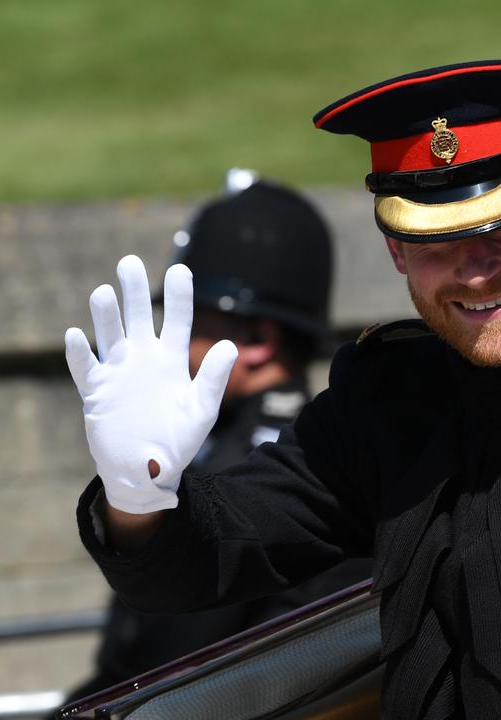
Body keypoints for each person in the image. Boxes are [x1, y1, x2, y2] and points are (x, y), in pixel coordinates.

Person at [62, 60, 501, 719]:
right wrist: (140, 494)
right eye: (434, 244)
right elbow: (203, 567)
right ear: (395, 249)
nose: (474, 271)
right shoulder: (383, 407)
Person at [62, 172, 373, 703]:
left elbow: (165, 665)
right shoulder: (225, 445)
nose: (176, 348)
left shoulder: (269, 467)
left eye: (192, 325)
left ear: (255, 339)